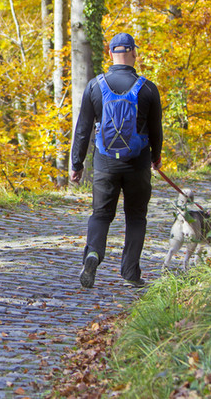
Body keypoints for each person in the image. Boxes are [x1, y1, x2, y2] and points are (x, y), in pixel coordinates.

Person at [69, 32, 163, 289]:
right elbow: (156, 130)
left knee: (100, 214)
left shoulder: (94, 86)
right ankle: (131, 272)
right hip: (138, 164)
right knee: (135, 217)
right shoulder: (147, 88)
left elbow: (83, 129)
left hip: (105, 164)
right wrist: (156, 158)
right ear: (134, 53)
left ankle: (93, 254)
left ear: (110, 54)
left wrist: (77, 165)